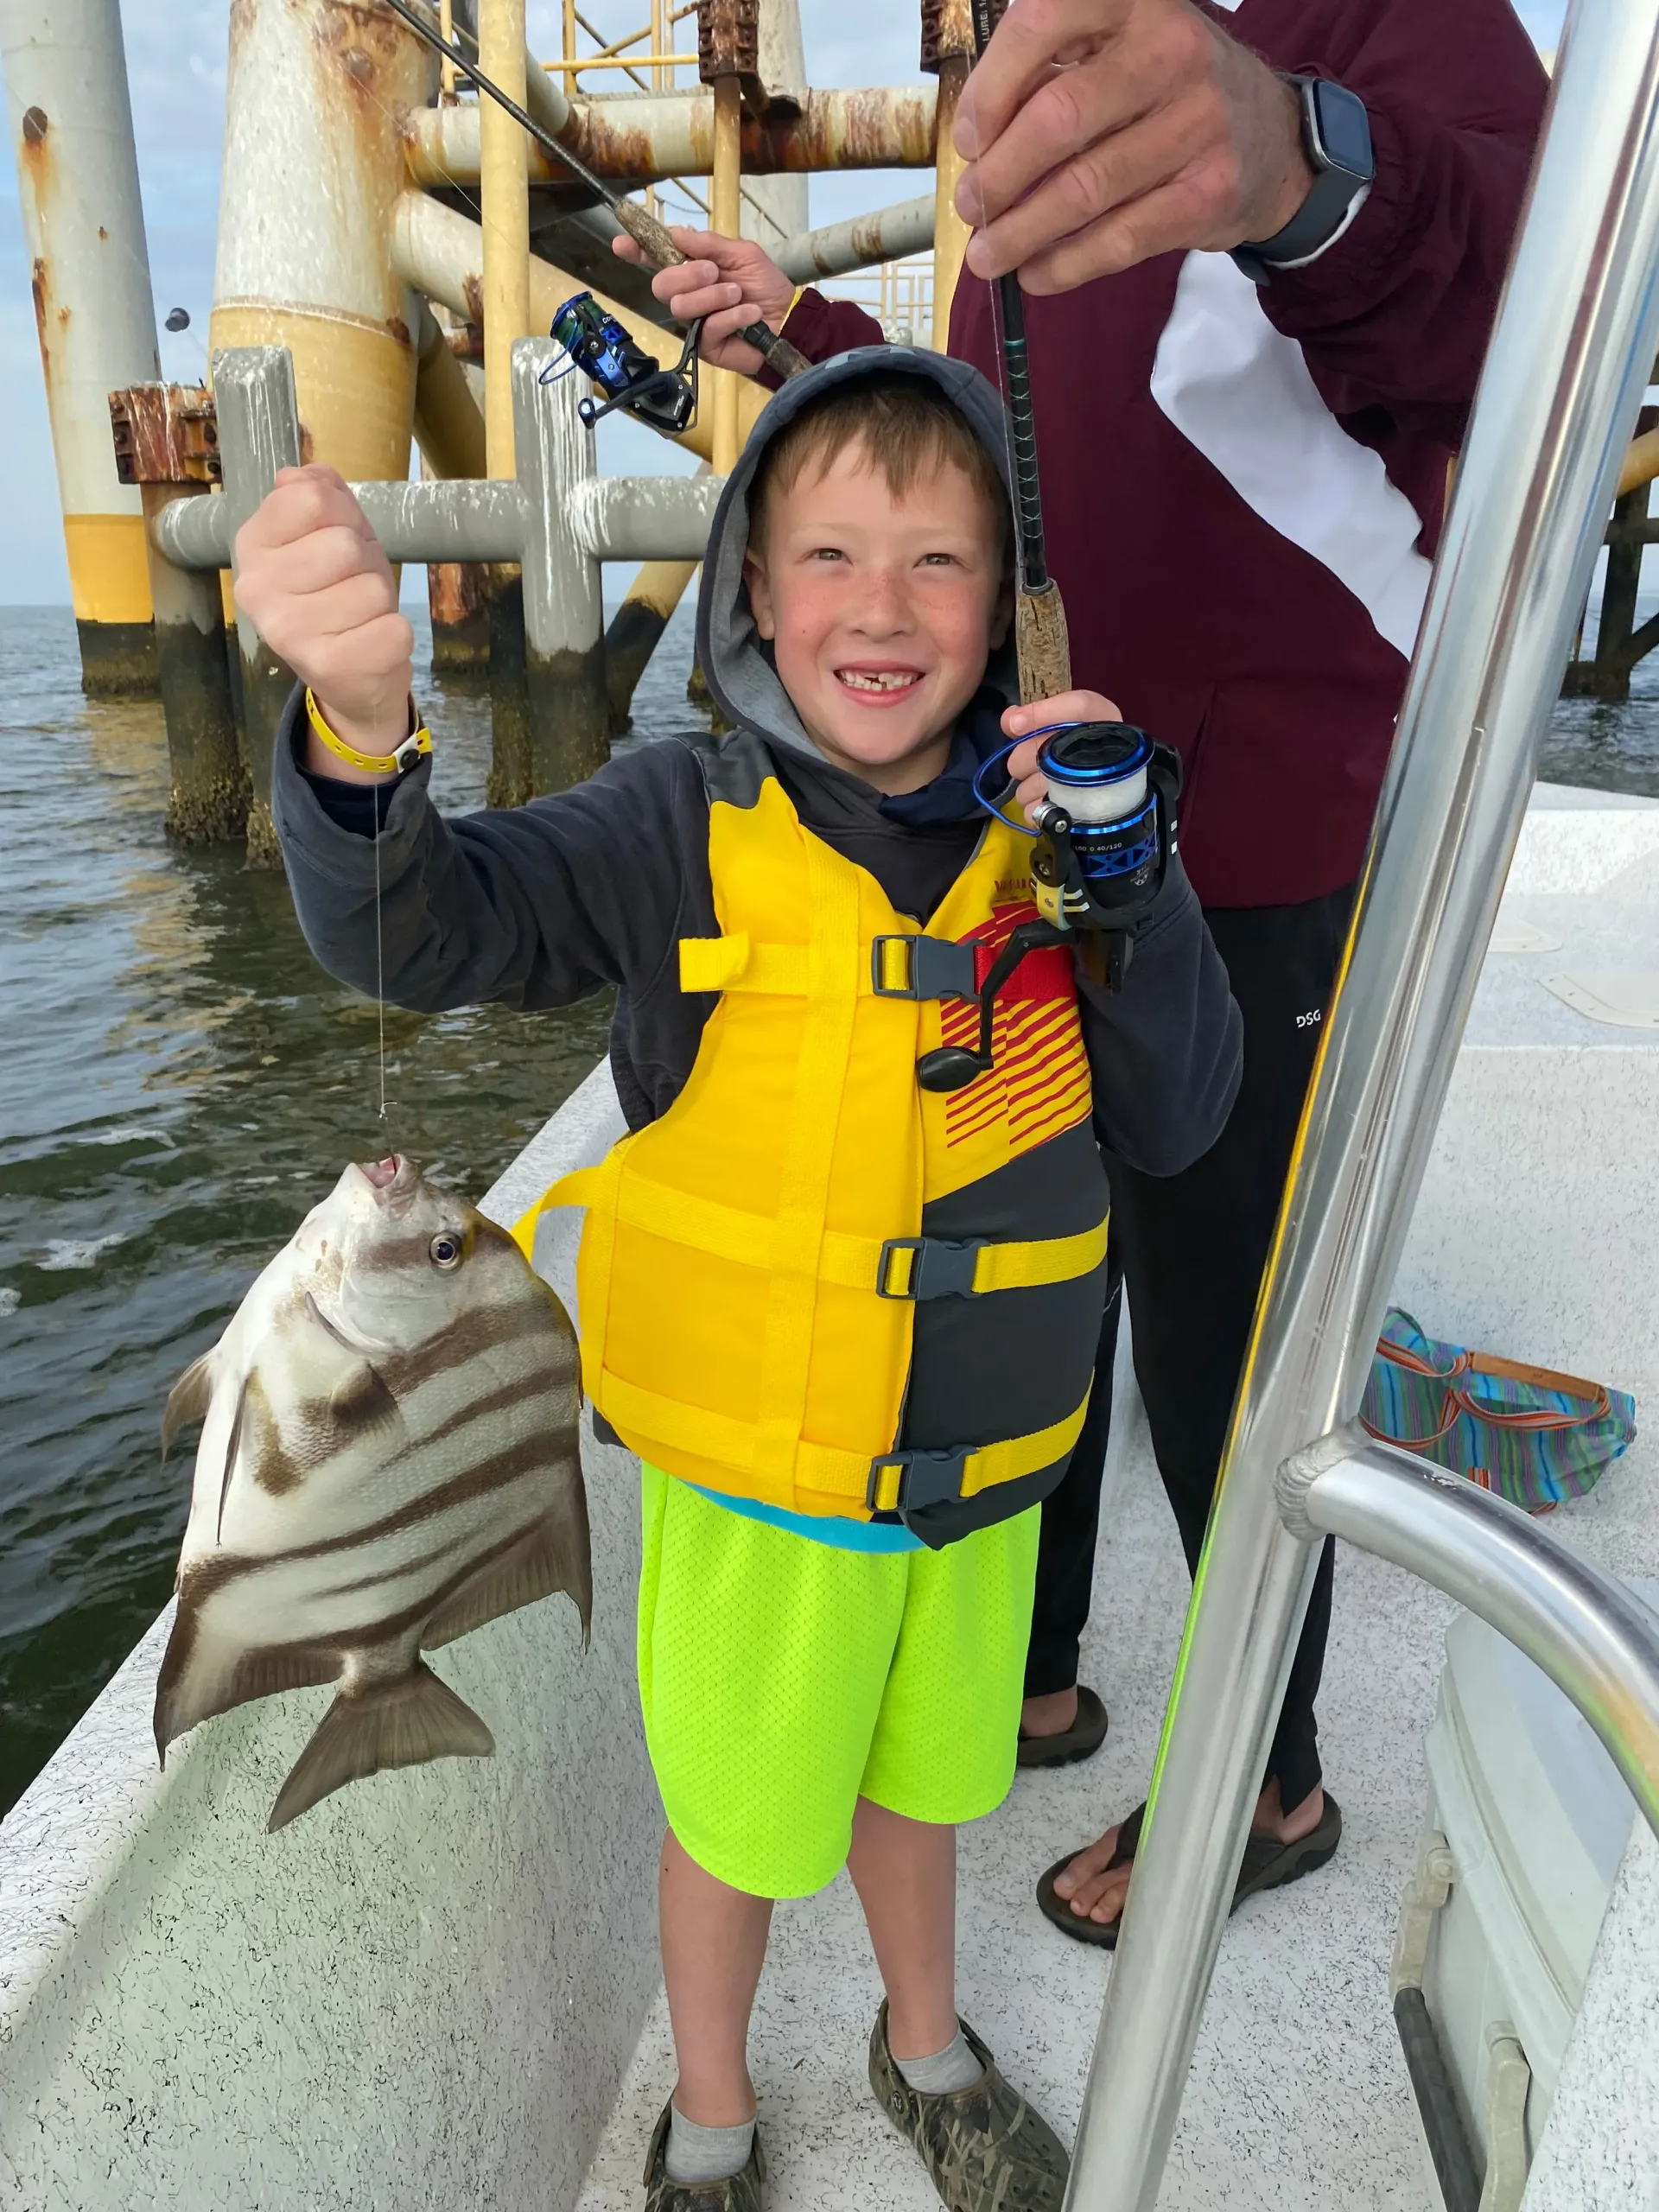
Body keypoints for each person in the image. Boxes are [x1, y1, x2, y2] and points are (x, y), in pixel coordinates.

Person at [237, 350, 1242, 2209]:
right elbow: (426, 927)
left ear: (1009, 604)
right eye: (833, 554)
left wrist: (1136, 884)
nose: (884, 606)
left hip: (979, 1501)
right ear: (753, 594)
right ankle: (709, 2107)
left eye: (943, 563)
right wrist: (360, 734)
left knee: (929, 1790)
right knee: (733, 1829)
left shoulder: (1056, 842)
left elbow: (1179, 1117)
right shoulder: (669, 821)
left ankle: (919, 2040)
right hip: (762, 1498)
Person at [614, 0, 1548, 1945]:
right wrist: (803, 341)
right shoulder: (1028, 47)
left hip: (1252, 841)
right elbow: (1011, 442)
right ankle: (1034, 1668)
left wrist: (1297, 162)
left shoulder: (1392, 15)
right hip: (1019, 819)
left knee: (1223, 1333)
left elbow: (1535, 316)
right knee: (1036, 1229)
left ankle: (1267, 1777)